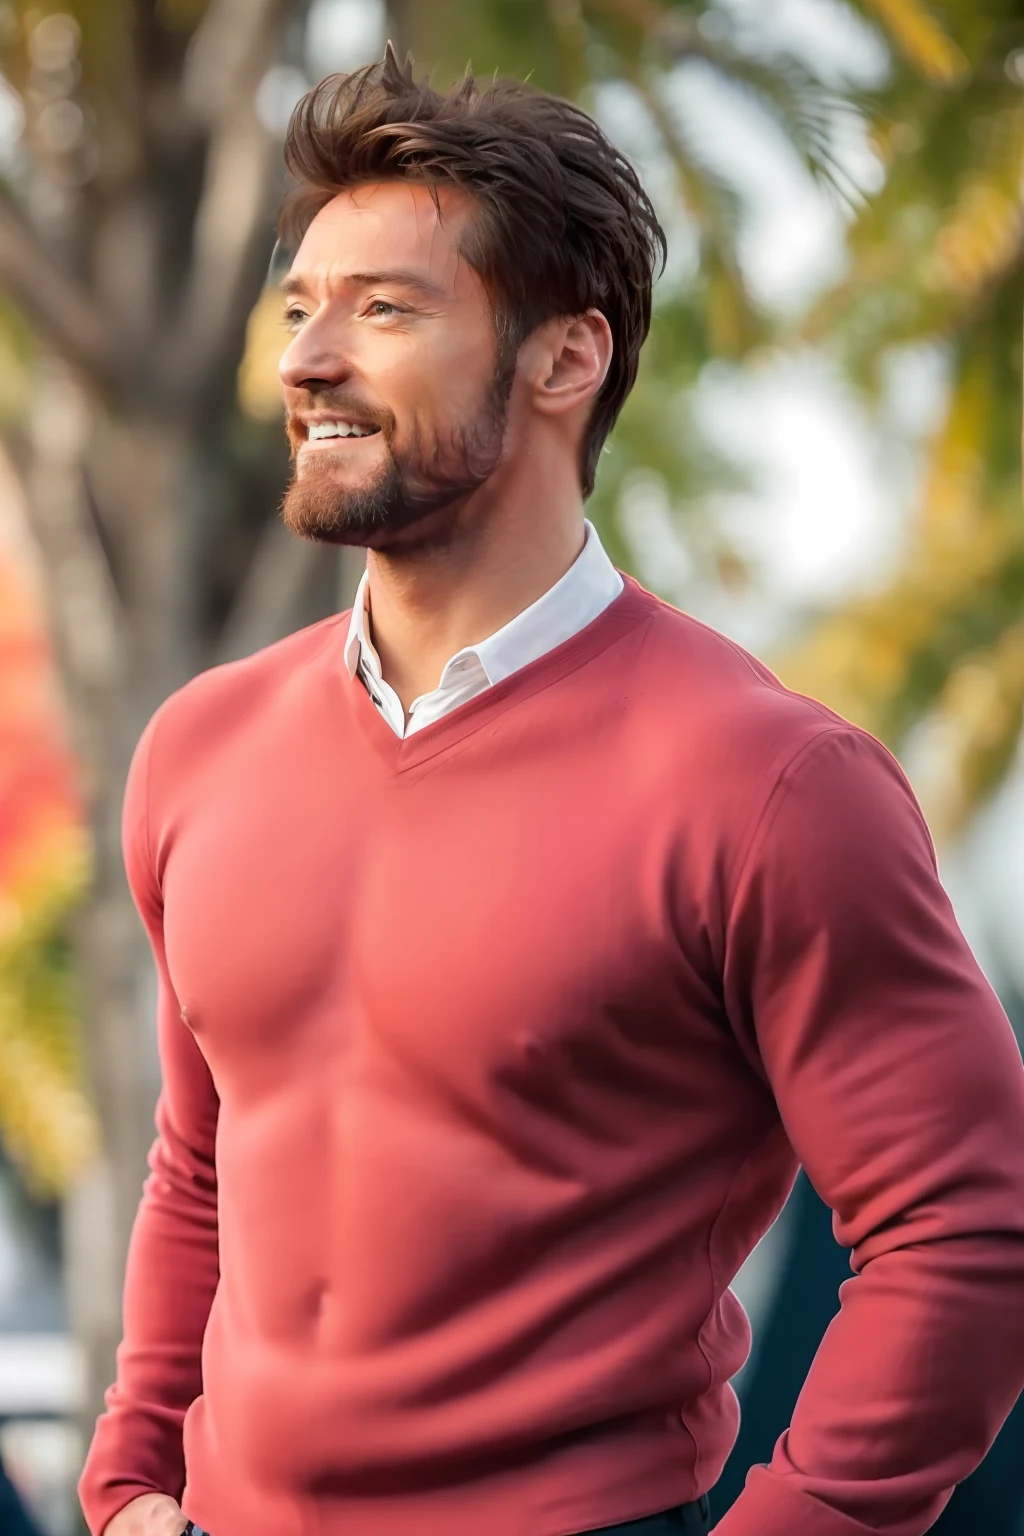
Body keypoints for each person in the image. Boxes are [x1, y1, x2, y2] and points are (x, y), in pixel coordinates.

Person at [78, 45, 1024, 1536]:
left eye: (385, 310)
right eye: (302, 308)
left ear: (564, 359)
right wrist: (131, 1481)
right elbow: (201, 1166)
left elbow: (965, 1229)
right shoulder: (200, 747)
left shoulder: (769, 783)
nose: (309, 360)